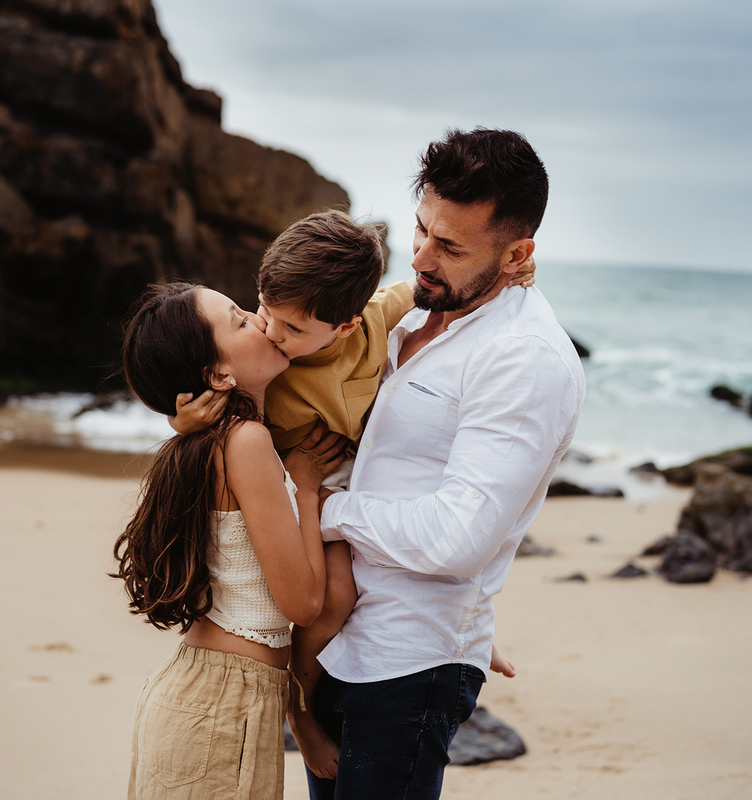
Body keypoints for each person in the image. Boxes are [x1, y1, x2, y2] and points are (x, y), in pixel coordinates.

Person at [171, 210, 531, 779]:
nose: (271, 332)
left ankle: (470, 635)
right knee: (336, 596)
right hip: (297, 489)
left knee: (401, 575)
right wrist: (181, 423)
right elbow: (222, 412)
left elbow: (440, 289)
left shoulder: (376, 316)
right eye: (263, 311)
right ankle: (302, 717)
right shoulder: (271, 360)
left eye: (292, 328)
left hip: (354, 480)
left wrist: (513, 274)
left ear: (344, 327)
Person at [306, 128, 586, 799]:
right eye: (421, 229)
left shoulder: (524, 357)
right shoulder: (406, 316)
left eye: (451, 247)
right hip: (332, 640)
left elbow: (458, 539)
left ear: (517, 254)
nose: (422, 257)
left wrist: (322, 511)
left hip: (409, 663)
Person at [112, 282, 347, 799]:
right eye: (240, 319)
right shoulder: (246, 441)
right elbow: (303, 604)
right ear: (219, 375)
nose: (261, 319)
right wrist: (307, 487)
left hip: (208, 695)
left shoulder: (212, 441)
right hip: (223, 703)